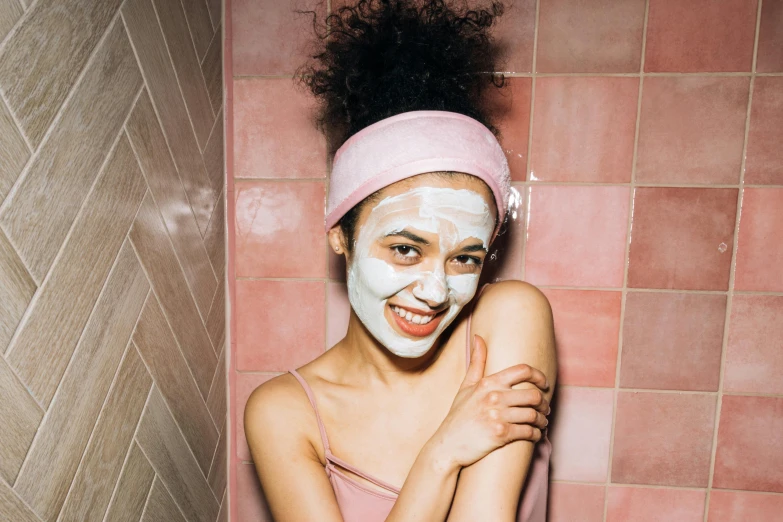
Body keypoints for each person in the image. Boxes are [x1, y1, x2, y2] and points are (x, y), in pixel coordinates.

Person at [244, 1, 557, 520]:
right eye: (406, 249)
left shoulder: (510, 318)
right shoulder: (284, 413)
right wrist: (443, 454)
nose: (435, 292)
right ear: (340, 235)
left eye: (464, 259)